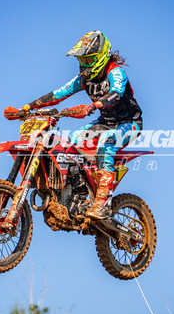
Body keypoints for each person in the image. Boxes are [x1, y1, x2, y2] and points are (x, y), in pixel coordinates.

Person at [20, 30, 143, 220]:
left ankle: (102, 203)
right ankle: (77, 191)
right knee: (68, 144)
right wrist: (27, 107)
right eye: (82, 61)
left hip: (129, 123)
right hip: (105, 123)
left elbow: (116, 93)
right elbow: (58, 94)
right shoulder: (85, 79)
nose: (85, 65)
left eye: (88, 60)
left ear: (101, 56)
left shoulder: (115, 72)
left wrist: (95, 105)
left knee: (107, 145)